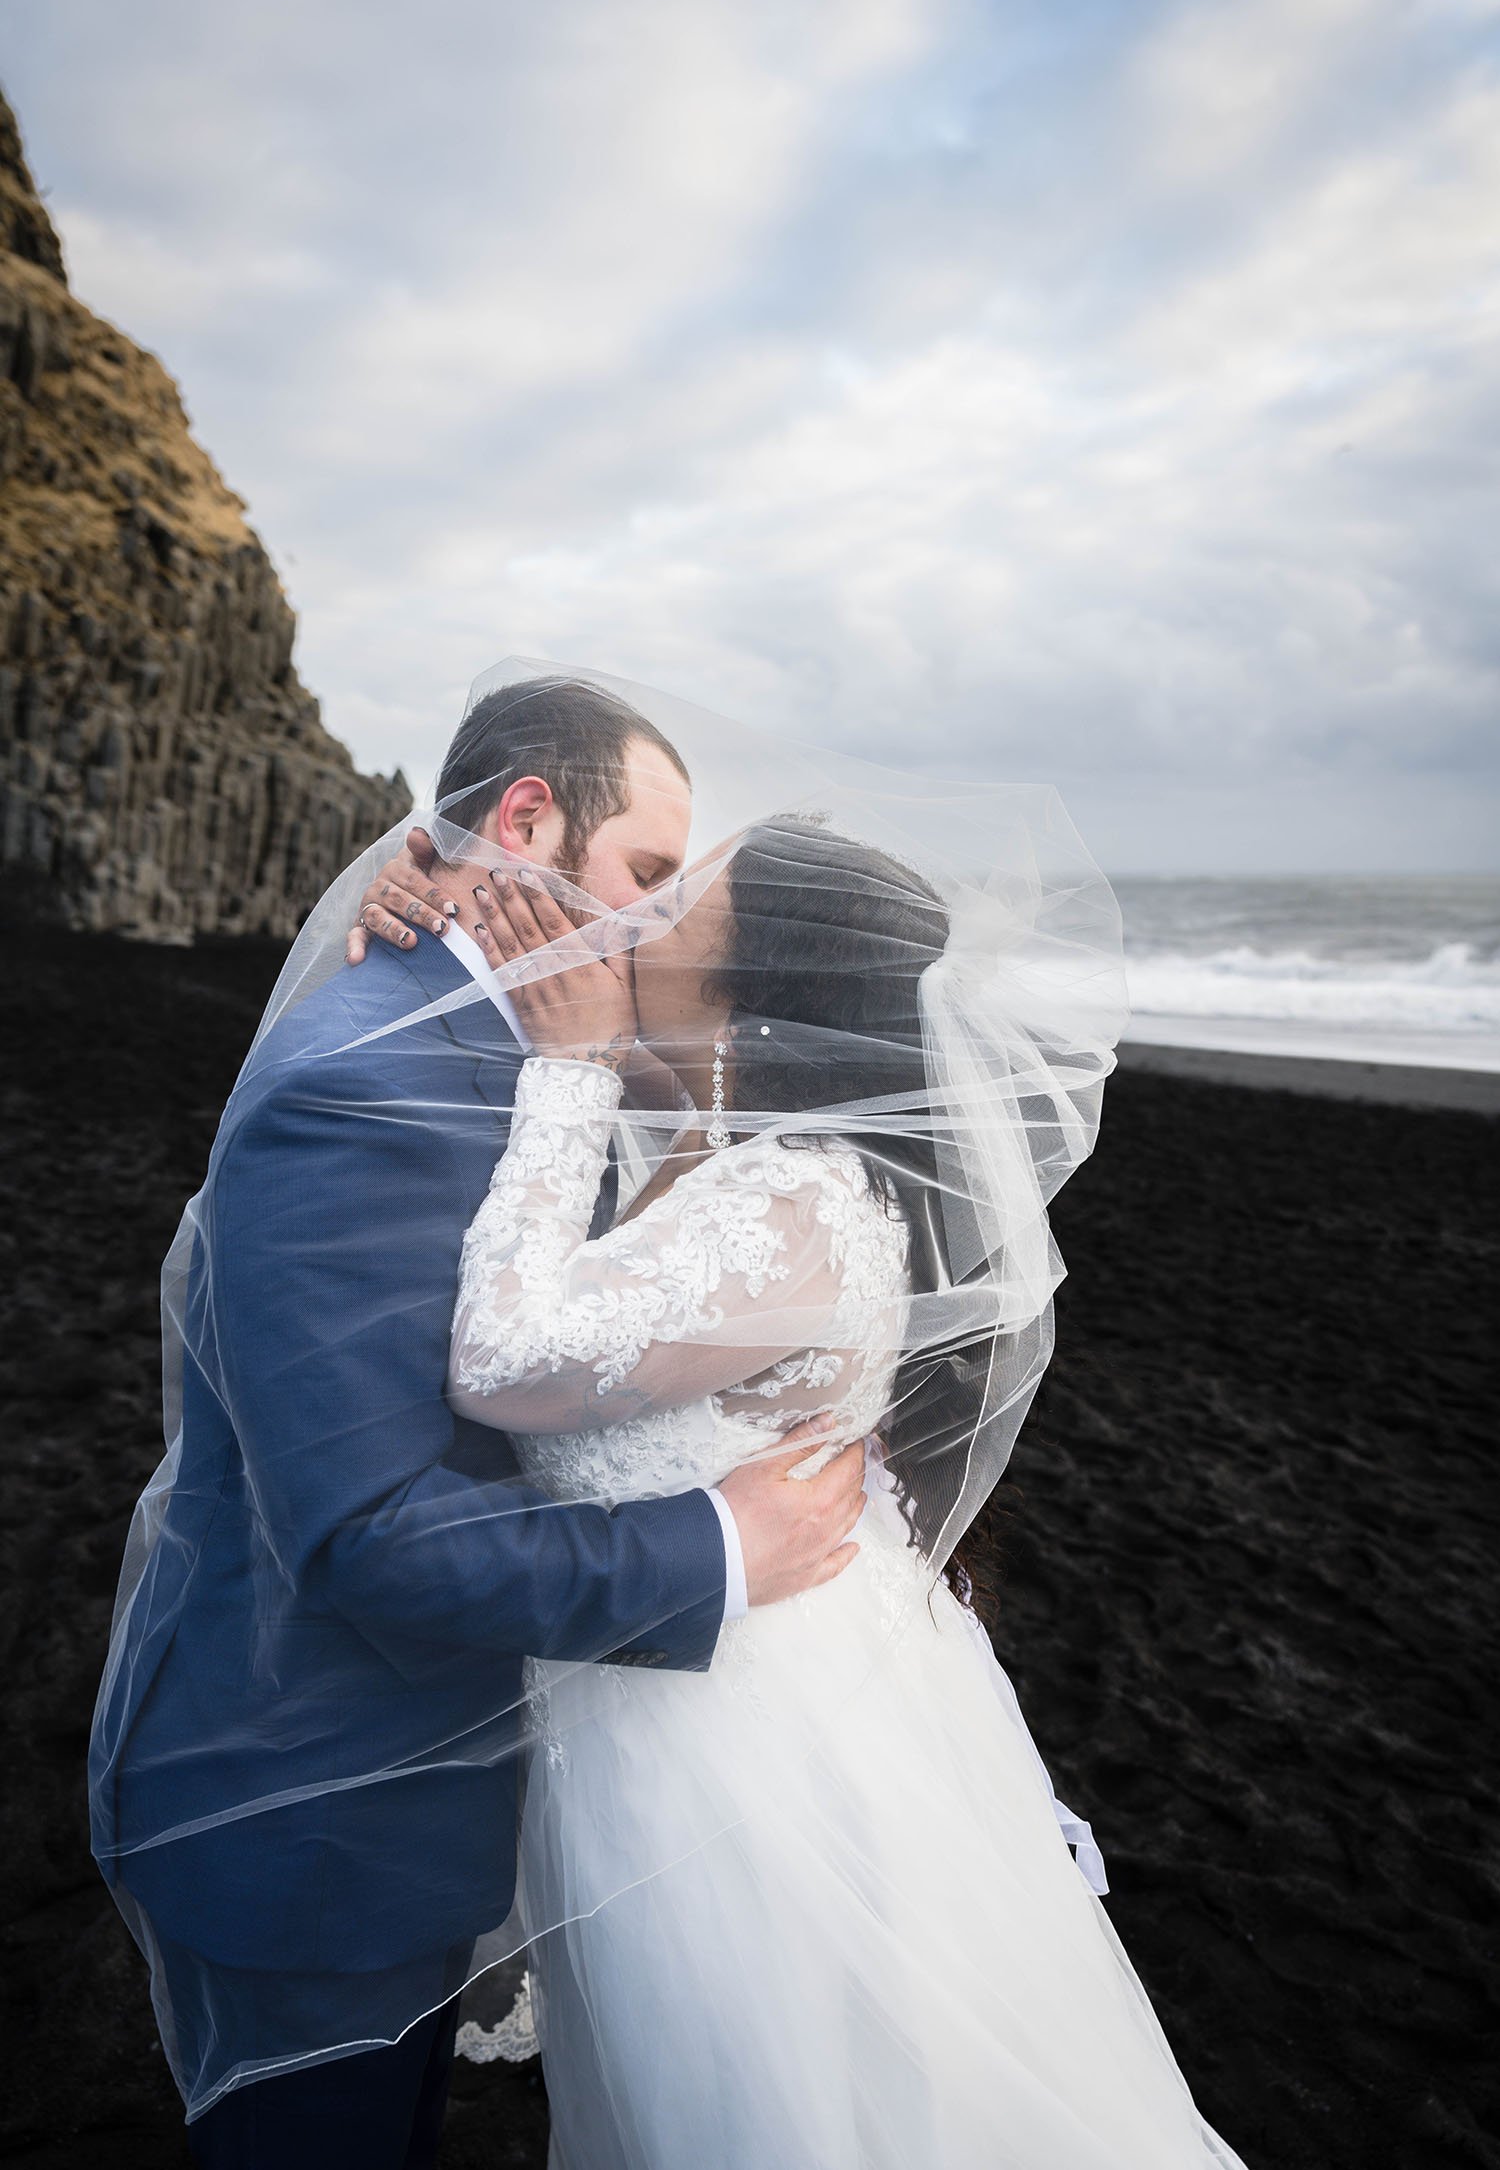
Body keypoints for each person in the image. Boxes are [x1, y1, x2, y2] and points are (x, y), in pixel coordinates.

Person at [354, 800, 1249, 2167]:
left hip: (745, 1756)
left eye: (665, 913)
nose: (625, 924)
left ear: (749, 993)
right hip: (659, 1695)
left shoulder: (805, 1204)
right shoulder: (712, 1156)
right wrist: (445, 918)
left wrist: (576, 1067)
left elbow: (503, 1356)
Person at [88, 678, 868, 2169]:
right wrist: (717, 1548)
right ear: (526, 822)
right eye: (646, 872)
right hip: (306, 1813)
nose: (657, 919)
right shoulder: (359, 1089)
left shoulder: (534, 1050)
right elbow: (366, 1529)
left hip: (429, 1791)